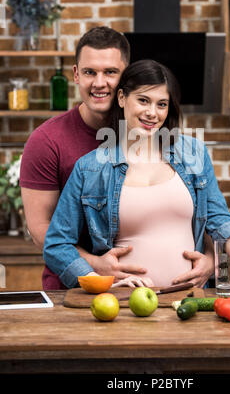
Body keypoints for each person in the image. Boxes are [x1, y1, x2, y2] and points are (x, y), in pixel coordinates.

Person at [20, 27, 215, 290]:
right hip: (72, 291)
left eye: (110, 72)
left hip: (157, 297)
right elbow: (41, 230)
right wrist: (94, 265)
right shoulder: (47, 141)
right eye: (90, 72)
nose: (100, 83)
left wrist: (213, 259)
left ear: (126, 78)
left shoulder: (155, 136)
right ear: (76, 75)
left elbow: (201, 212)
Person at [43, 59, 230, 289]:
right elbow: (57, 244)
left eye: (161, 104)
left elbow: (221, 222)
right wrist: (99, 281)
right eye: (143, 100)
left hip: (188, 304)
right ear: (122, 98)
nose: (152, 113)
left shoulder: (193, 154)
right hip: (123, 306)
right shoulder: (90, 168)